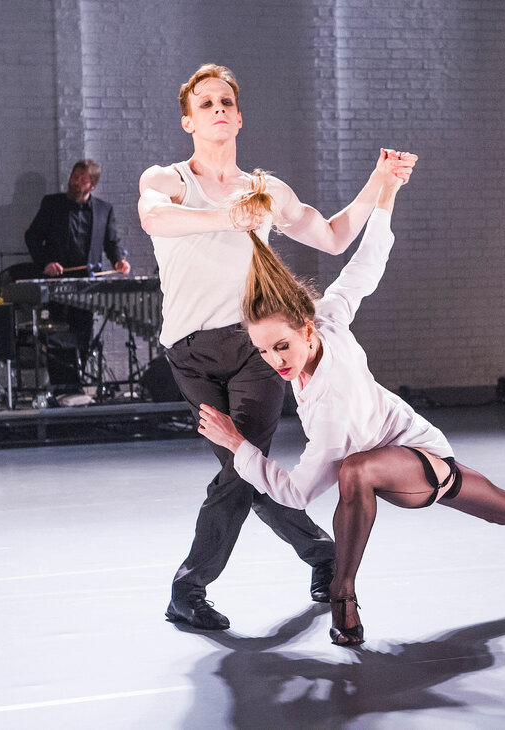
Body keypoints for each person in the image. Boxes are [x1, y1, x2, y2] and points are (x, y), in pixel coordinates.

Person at [197, 165, 505, 646]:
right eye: (263, 351)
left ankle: (343, 596)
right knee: (502, 506)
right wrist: (386, 194)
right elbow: (365, 267)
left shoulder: (331, 397)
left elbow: (296, 494)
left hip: (419, 458)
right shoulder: (324, 321)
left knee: (363, 473)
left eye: (281, 347)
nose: (274, 361)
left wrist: (237, 443)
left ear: (306, 330)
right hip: (390, 454)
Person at [138, 63, 416, 631]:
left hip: (252, 352)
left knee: (244, 469)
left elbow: (335, 236)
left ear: (237, 117)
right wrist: (225, 217)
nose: (217, 109)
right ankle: (322, 555)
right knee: (245, 468)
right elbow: (153, 218)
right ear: (189, 121)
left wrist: (379, 183)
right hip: (187, 354)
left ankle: (187, 589)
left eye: (225, 103)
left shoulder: (266, 191)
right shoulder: (168, 179)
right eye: (205, 104)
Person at [24, 159, 130, 388]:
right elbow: (32, 236)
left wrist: (119, 260)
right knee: (58, 337)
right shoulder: (52, 204)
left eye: (82, 180)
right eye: (74, 177)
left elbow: (111, 242)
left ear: (93, 185)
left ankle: (78, 386)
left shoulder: (104, 209)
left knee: (83, 334)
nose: (76, 183)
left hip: (87, 285)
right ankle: (63, 389)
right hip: (57, 283)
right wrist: (46, 263)